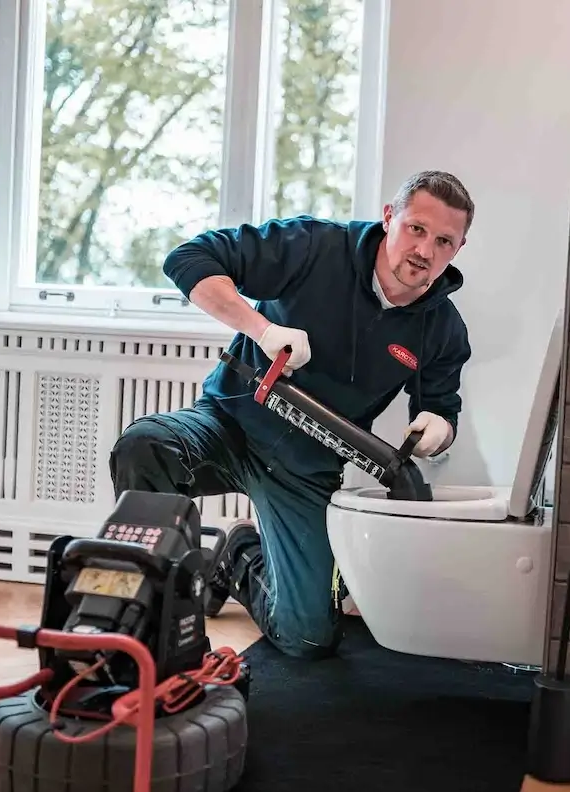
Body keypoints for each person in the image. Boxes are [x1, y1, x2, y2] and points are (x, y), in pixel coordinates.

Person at [108, 170, 475, 660]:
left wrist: (438, 428)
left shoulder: (443, 330)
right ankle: (155, 626)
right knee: (144, 446)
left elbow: (441, 408)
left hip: (308, 469)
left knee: (308, 638)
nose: (425, 250)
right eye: (416, 229)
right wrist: (259, 328)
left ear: (458, 248)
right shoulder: (314, 246)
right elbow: (188, 259)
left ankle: (236, 556)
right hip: (227, 425)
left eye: (444, 241)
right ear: (390, 218)